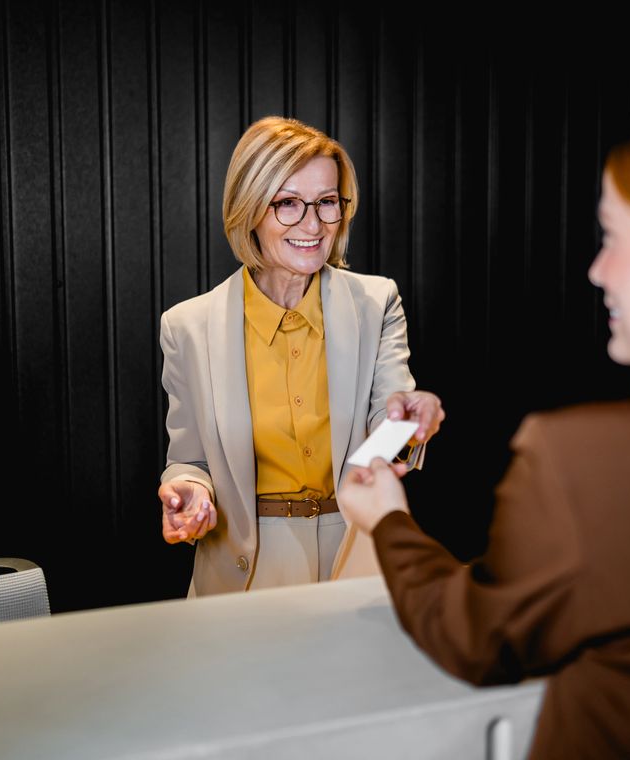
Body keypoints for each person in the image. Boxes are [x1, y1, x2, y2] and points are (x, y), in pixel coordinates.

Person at [338, 82, 630, 758]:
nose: (598, 270)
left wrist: (387, 521)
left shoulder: (579, 463)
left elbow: (474, 637)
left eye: (612, 236)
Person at [157, 116, 444, 596]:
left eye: (326, 202)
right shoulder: (187, 326)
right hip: (243, 571)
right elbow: (189, 461)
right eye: (287, 203)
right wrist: (191, 491)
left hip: (355, 555)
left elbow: (386, 429)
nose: (313, 225)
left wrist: (411, 422)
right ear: (250, 209)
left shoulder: (377, 303)